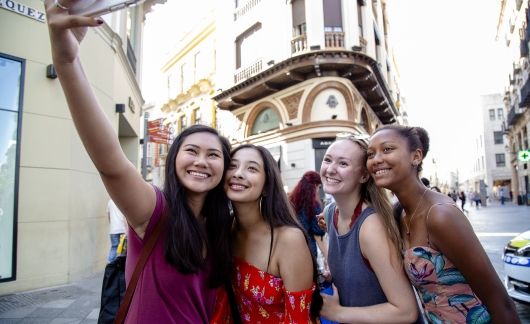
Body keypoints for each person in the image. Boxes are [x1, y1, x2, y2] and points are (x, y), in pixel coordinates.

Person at [44, 4, 234, 322]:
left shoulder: (224, 229)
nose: (201, 161)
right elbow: (111, 162)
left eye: (213, 155)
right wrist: (67, 60)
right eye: (191, 151)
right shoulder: (154, 210)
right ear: (173, 160)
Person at [367, 125, 520, 323]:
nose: (376, 159)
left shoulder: (441, 215)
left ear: (416, 156)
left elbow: (500, 302)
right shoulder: (400, 214)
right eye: (370, 154)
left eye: (387, 149)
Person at [318, 134, 418, 323]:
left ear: (364, 175)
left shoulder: (371, 227)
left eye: (343, 164)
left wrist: (337, 313)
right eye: (327, 160)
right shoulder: (331, 212)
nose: (330, 169)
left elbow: (406, 311)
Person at [223, 144, 322, 323]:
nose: (238, 173)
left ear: (267, 186)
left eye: (252, 168)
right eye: (232, 166)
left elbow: (298, 319)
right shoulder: (224, 229)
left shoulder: (288, 239)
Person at [288, 171, 326, 259]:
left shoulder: (289, 201)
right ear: (314, 186)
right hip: (307, 253)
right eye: (318, 187)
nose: (317, 191)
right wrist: (329, 259)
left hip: (289, 251)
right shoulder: (313, 206)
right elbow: (319, 236)